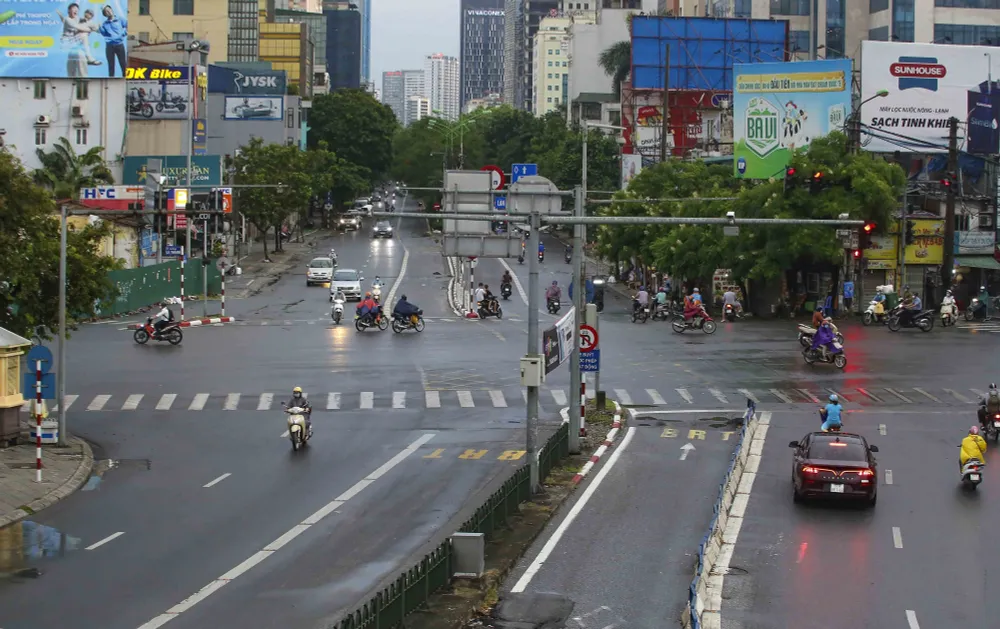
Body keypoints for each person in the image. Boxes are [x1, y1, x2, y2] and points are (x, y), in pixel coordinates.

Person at [98, 3, 128, 78]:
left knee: (123, 64)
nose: (109, 12)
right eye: (106, 11)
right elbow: (104, 34)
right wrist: (100, 28)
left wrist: (124, 33)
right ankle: (111, 81)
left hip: (119, 45)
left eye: (109, 9)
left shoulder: (120, 19)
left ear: (112, 9)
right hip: (109, 47)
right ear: (105, 14)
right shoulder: (105, 24)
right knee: (111, 65)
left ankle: (124, 79)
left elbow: (128, 25)